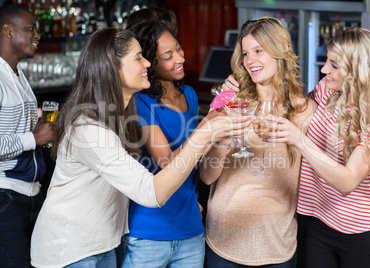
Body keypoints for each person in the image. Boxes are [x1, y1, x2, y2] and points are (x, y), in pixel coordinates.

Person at [30, 27, 252, 268]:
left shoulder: (119, 115)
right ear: (112, 69)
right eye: (138, 58)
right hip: (70, 249)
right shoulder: (89, 129)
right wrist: (207, 130)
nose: (147, 62)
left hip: (101, 244)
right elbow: (151, 192)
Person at [263, 28, 370, 267]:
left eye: (334, 64)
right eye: (327, 61)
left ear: (359, 70)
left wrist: (300, 141)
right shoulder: (327, 89)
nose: (325, 69)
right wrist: (242, 83)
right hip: (319, 221)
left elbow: (347, 182)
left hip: (362, 233)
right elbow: (291, 106)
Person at [199, 17, 317, 267]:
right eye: (245, 53)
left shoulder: (305, 110)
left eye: (258, 51)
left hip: (277, 244)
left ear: (279, 52)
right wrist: (223, 139)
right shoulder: (230, 102)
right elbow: (207, 176)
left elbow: (323, 166)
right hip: (224, 240)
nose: (250, 60)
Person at [119, 20, 208, 268]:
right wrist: (208, 127)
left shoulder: (189, 93)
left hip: (191, 228)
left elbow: (200, 162)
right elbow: (167, 162)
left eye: (179, 49)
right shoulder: (140, 102)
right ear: (150, 62)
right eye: (168, 56)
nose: (180, 58)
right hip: (148, 231)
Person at [0, 5, 54, 268]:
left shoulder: (18, 74)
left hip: (30, 194)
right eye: (30, 29)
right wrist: (33, 138)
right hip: (5, 196)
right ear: (7, 31)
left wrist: (40, 124)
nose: (37, 35)